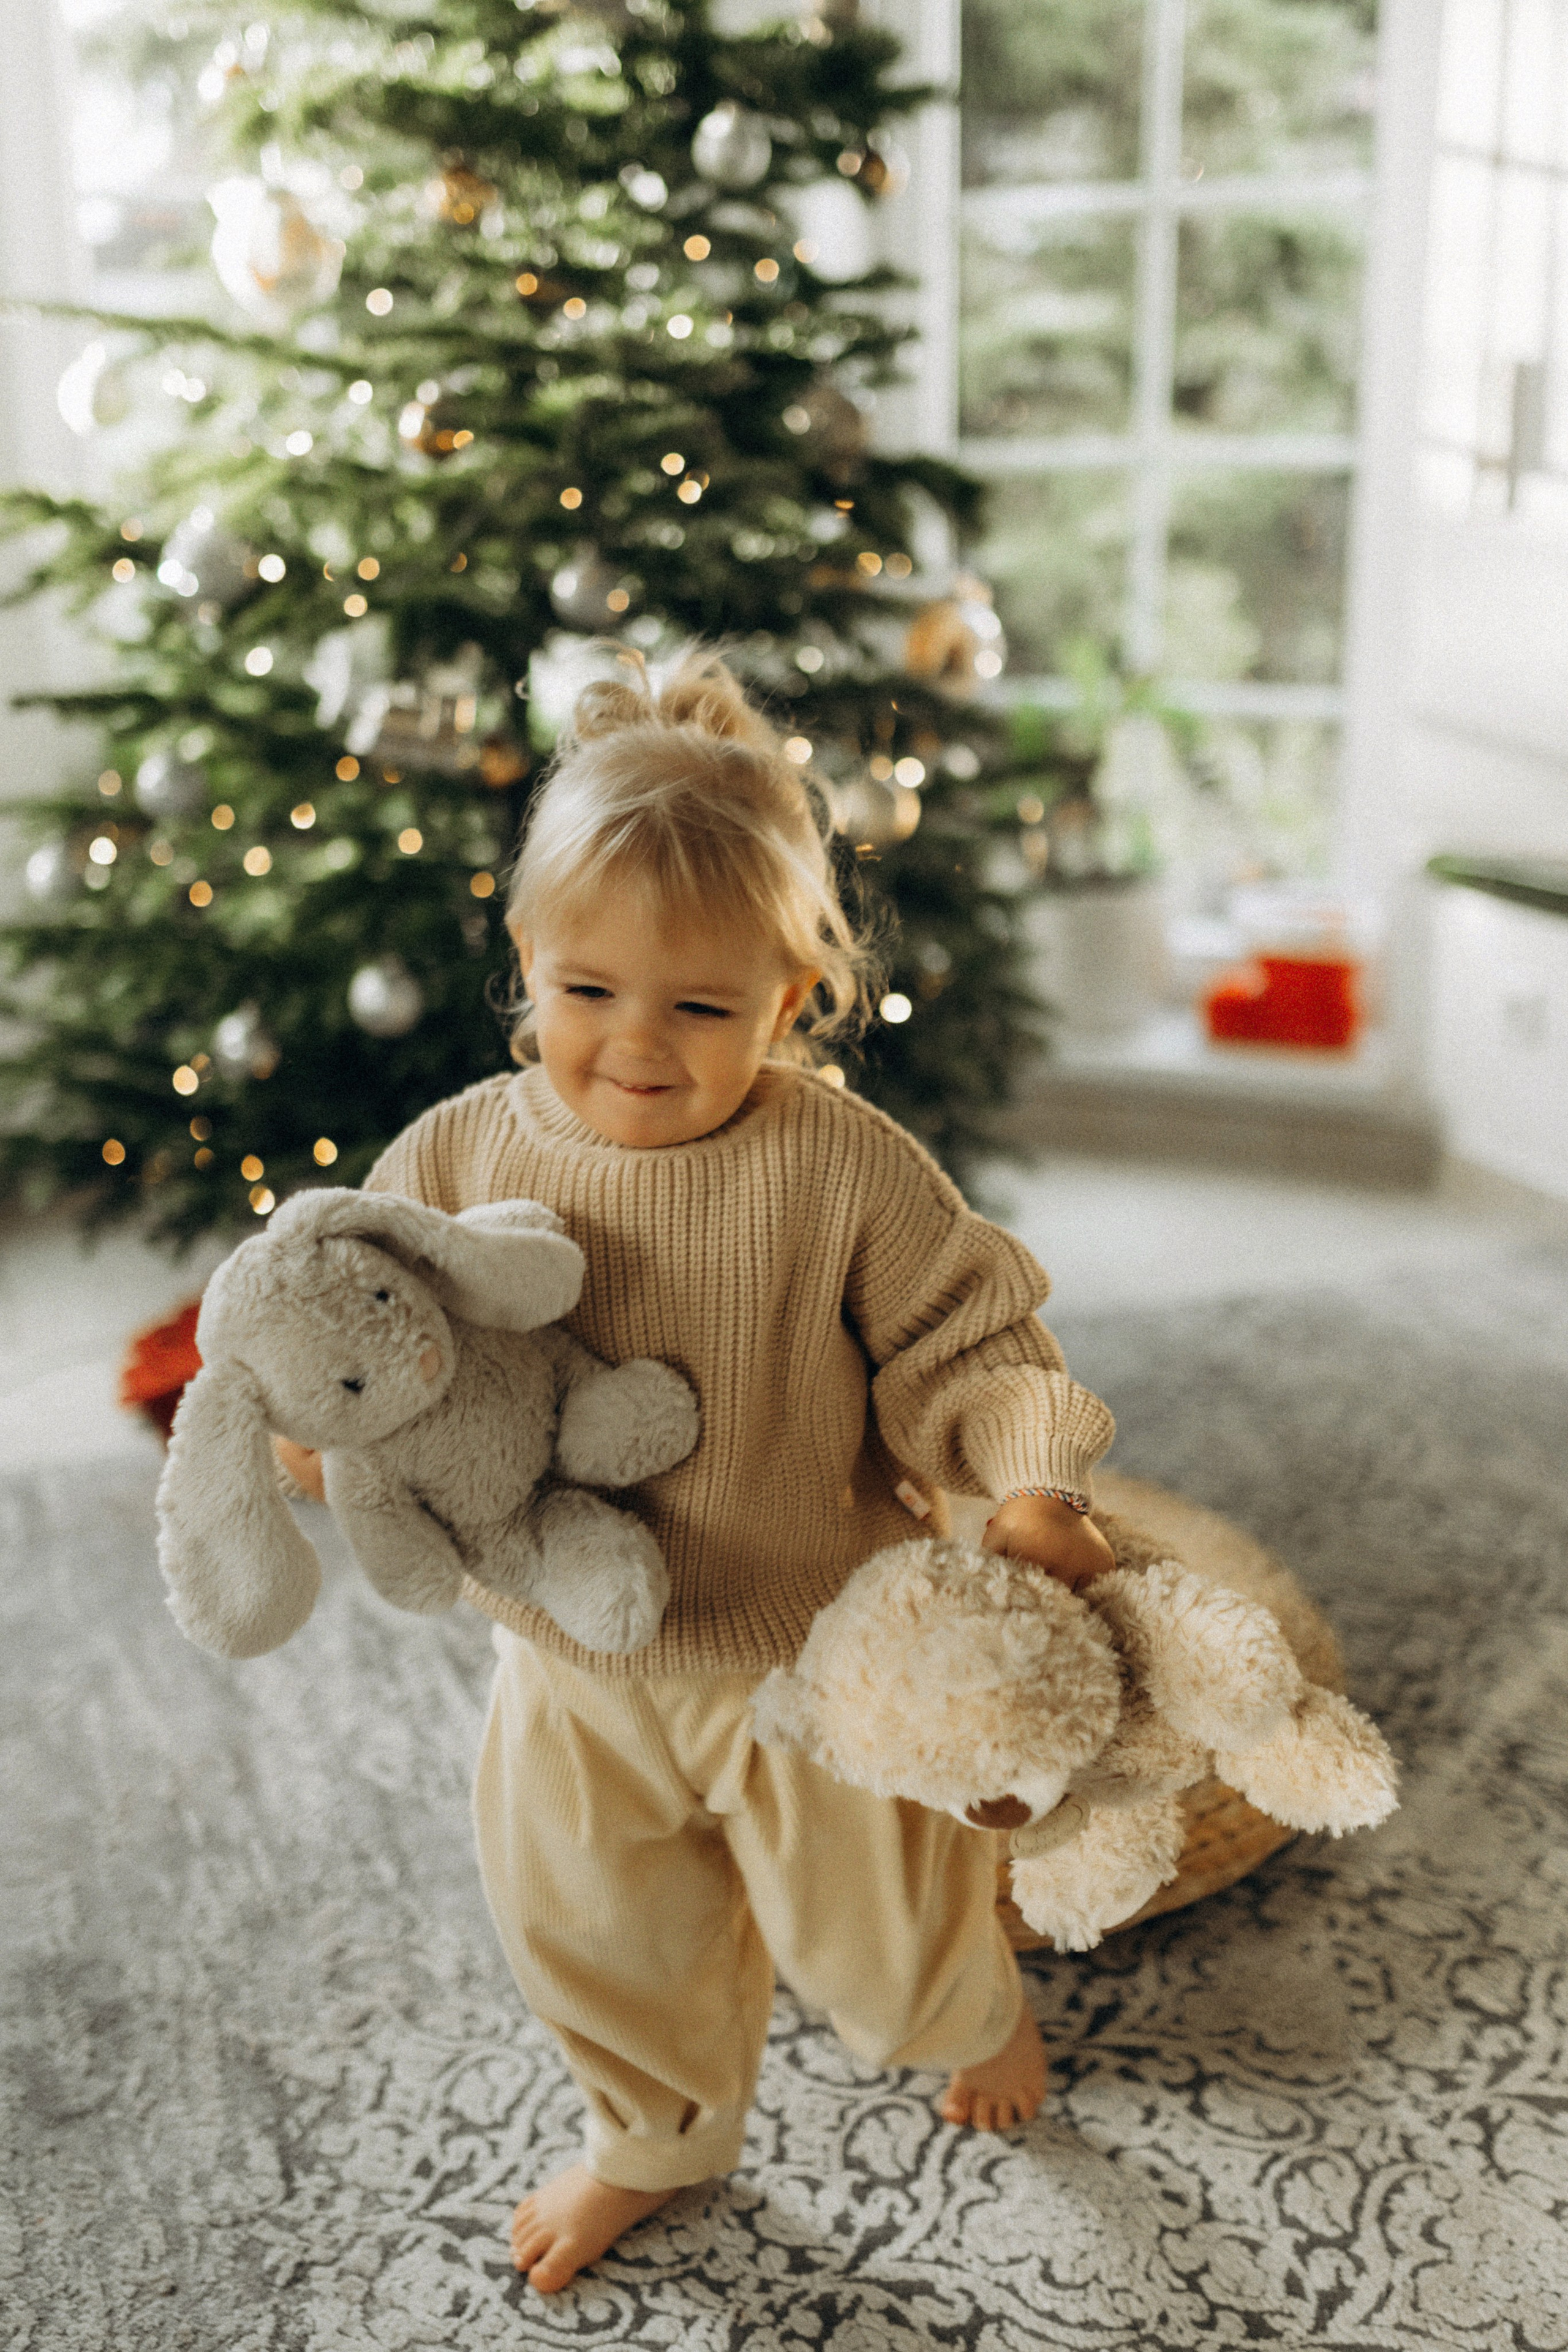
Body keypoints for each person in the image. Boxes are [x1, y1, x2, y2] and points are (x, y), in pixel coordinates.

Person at [277, 649, 1117, 2294]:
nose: (635, 1046)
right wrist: (334, 1427)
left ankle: (972, 2002)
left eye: (702, 1008)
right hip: (568, 1650)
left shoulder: (841, 1168)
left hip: (807, 1648)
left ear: (787, 1002)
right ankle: (651, 2135)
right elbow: (364, 1316)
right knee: (584, 1920)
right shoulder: (457, 1151)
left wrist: (1029, 1486)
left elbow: (977, 1344)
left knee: (876, 1948)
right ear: (528, 959)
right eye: (588, 992)